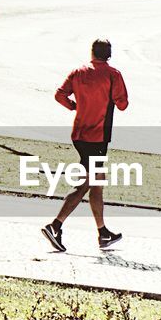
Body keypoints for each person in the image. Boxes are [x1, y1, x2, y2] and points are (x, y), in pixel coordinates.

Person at [41, 39, 129, 252]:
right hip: (98, 138)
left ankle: (103, 233)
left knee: (96, 184)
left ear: (92, 53)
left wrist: (74, 106)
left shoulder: (77, 72)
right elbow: (123, 104)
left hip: (79, 135)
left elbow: (59, 95)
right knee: (85, 184)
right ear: (109, 55)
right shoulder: (113, 75)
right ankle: (55, 225)